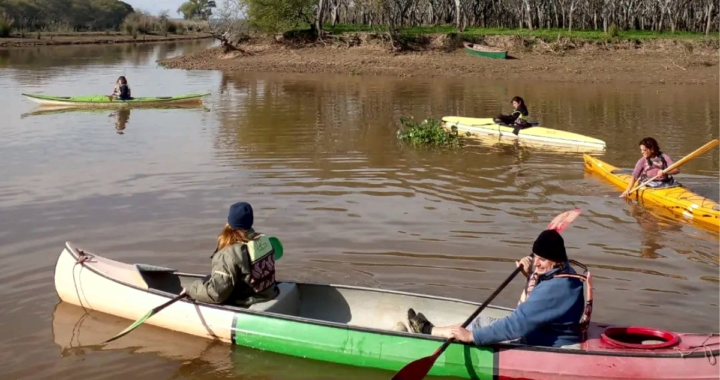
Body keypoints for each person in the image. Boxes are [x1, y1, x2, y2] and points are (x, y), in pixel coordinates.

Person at [402, 229, 591, 348]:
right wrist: (530, 277)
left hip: (540, 340)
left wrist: (472, 337)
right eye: (535, 257)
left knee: (475, 328)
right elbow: (539, 306)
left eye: (542, 259)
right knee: (481, 321)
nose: (536, 264)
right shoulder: (566, 272)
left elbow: (517, 324)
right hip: (550, 332)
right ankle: (431, 330)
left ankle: (426, 331)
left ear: (556, 259)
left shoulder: (555, 289)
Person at [184, 202, 280, 307]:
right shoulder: (264, 240)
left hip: (248, 301)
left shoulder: (228, 254)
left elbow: (217, 294)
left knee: (208, 287)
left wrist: (191, 289)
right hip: (269, 293)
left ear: (230, 222)